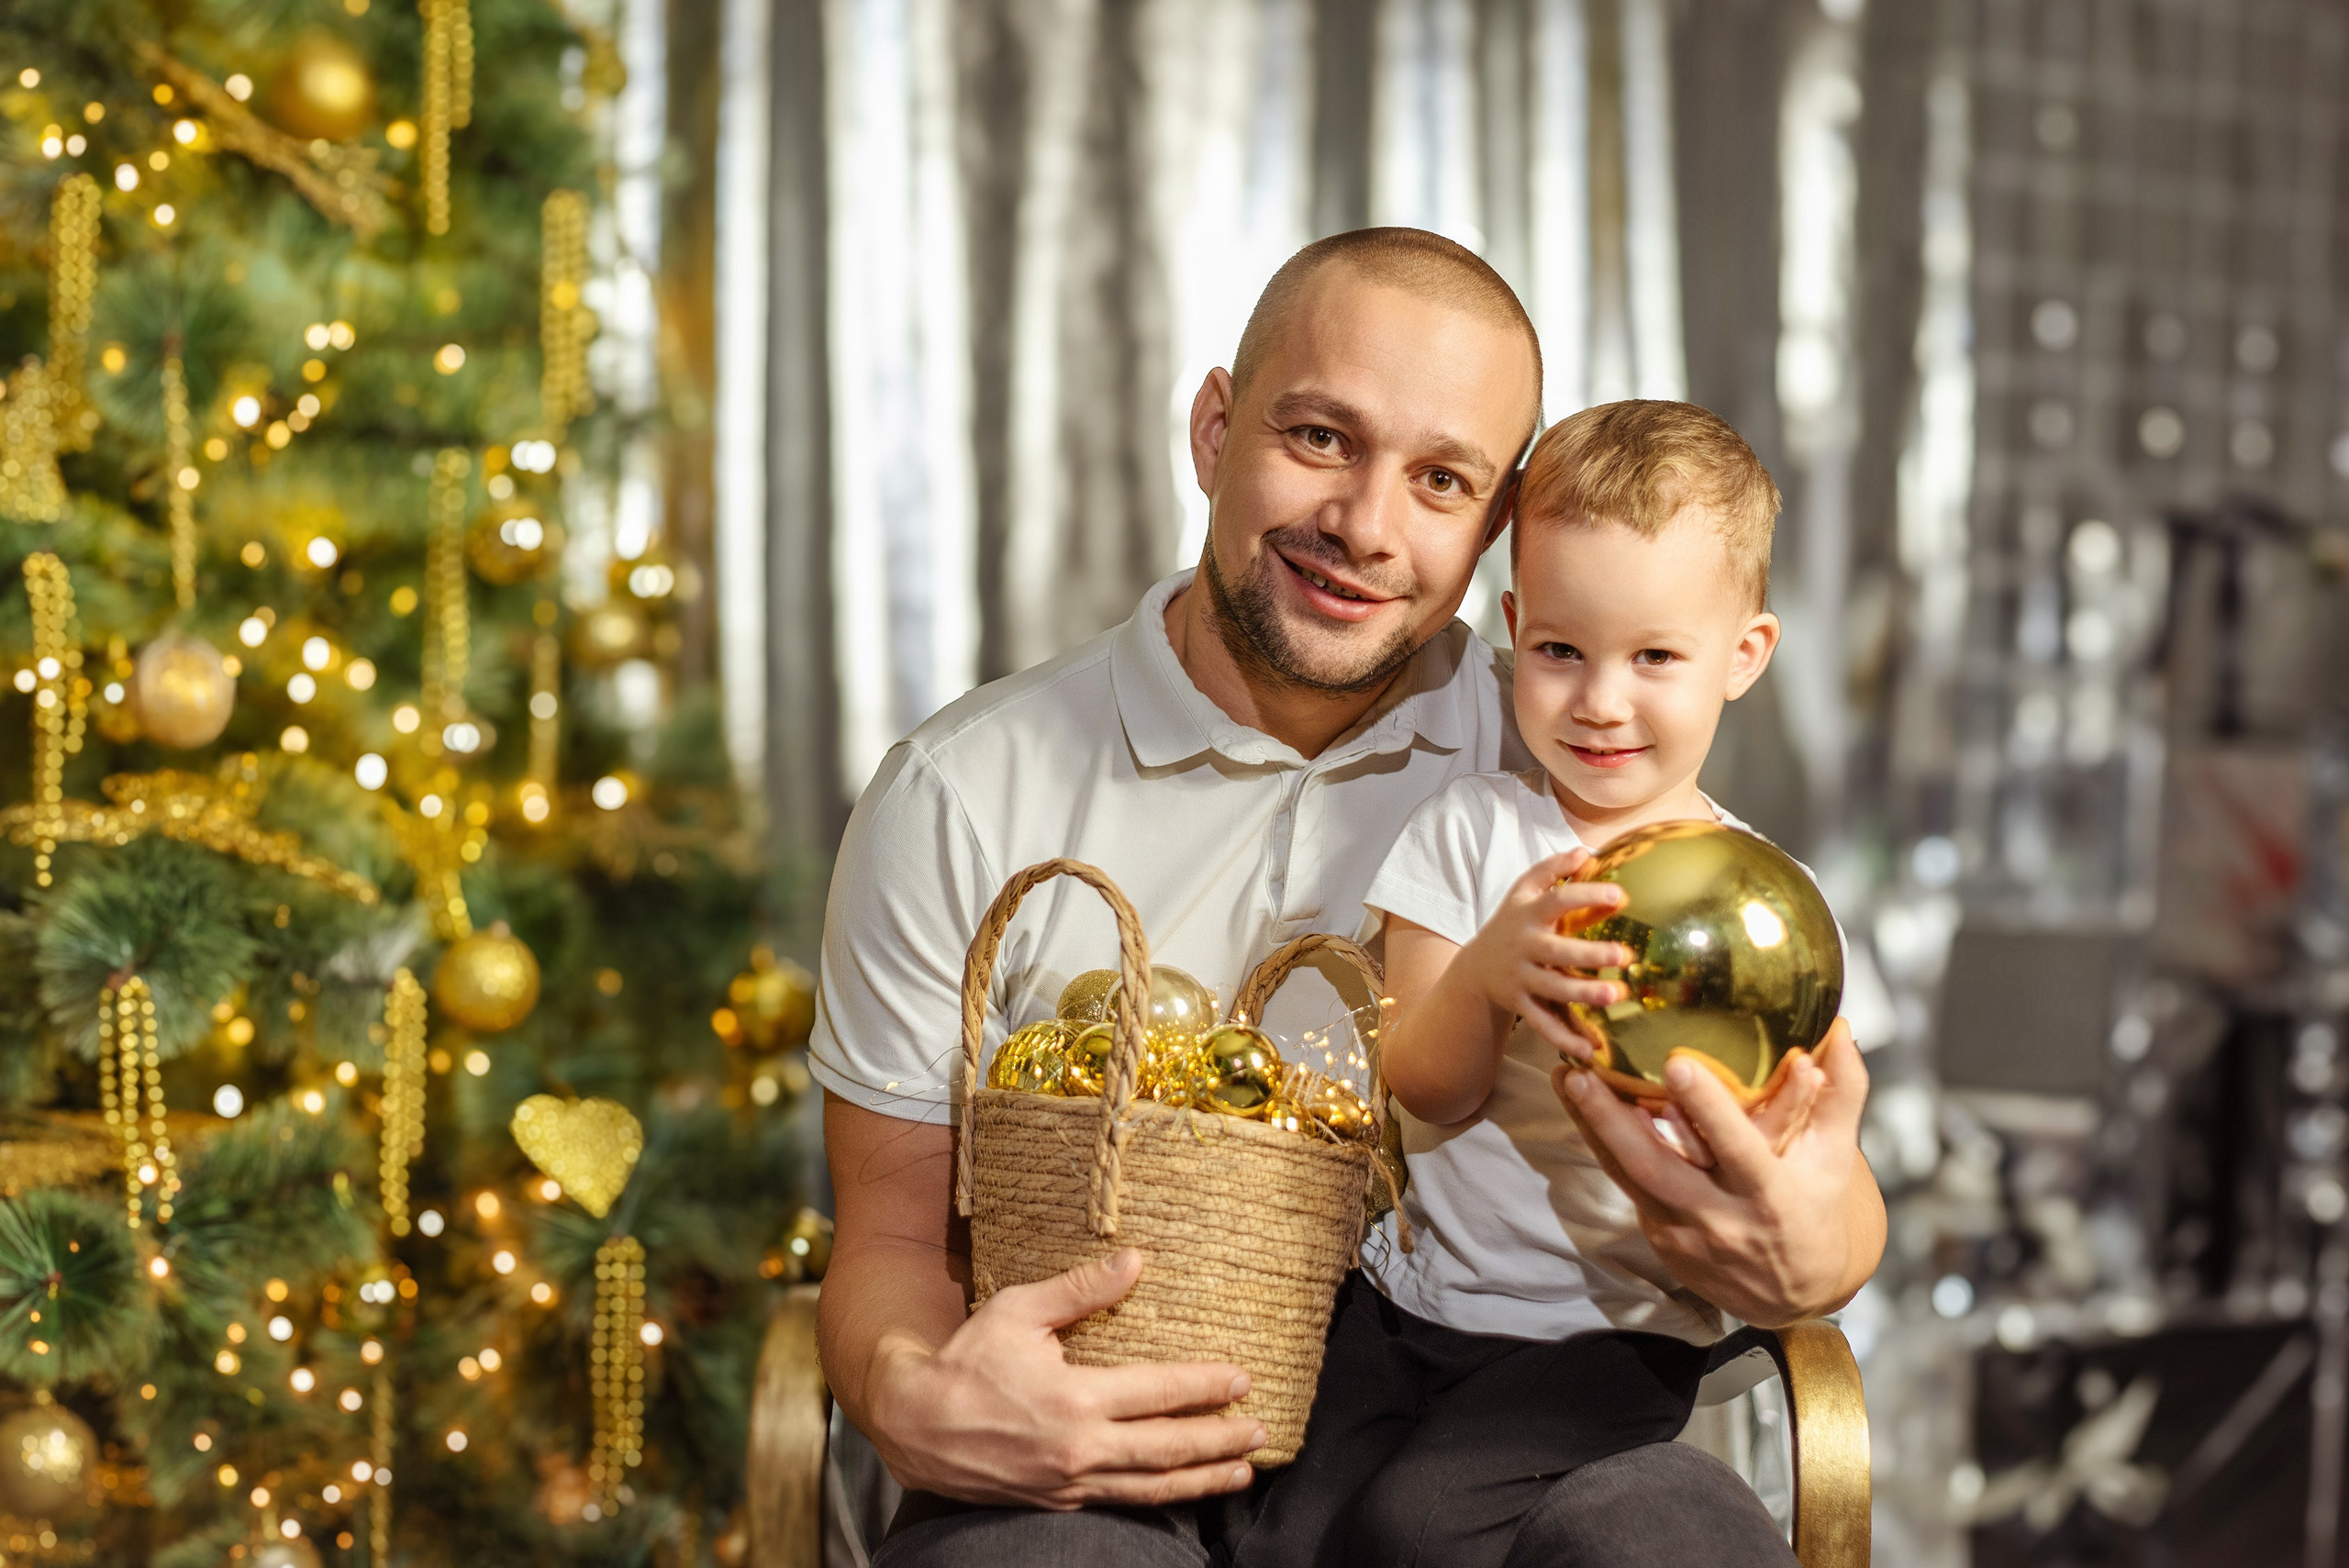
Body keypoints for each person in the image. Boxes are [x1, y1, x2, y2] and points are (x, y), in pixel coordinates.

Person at [808, 229, 1874, 1565]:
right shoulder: (961, 792)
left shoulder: (1568, 747)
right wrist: (919, 1398)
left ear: (1496, 532)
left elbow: (1819, 1166)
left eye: (1442, 480)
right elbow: (892, 1235)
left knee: (1667, 1536)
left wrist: (1809, 1245)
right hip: (1082, 1442)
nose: (1366, 527)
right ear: (1212, 429)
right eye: (1319, 438)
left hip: (1486, 1427)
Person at [1241, 399, 1879, 1568]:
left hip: (1605, 1335)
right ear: (1514, 625)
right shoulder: (1468, 831)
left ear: (1743, 656)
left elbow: (1814, 1149)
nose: (1599, 700)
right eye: (1560, 651)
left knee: (1416, 1525)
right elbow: (1423, 1089)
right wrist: (1486, 974)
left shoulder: (1758, 905)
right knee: (1284, 1533)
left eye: (1654, 657)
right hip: (1408, 1302)